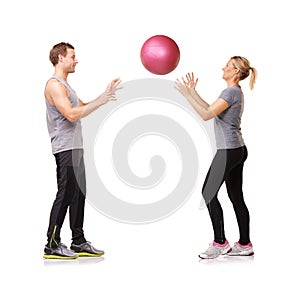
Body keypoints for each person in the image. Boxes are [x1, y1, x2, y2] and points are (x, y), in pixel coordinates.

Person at [44, 42, 121, 259]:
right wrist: (101, 101)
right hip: (65, 147)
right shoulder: (54, 85)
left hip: (76, 147)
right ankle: (51, 244)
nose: (76, 60)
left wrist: (104, 96)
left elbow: (82, 106)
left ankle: (78, 241)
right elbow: (71, 114)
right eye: (72, 56)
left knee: (78, 194)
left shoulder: (66, 86)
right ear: (60, 58)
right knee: (65, 193)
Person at [176, 56, 257, 259]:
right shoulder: (234, 92)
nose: (223, 67)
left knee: (208, 192)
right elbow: (210, 109)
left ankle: (220, 243)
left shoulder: (230, 92)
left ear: (236, 72)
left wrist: (187, 96)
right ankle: (245, 244)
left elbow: (205, 114)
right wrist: (193, 93)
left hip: (228, 151)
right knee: (236, 197)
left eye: (228, 65)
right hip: (237, 149)